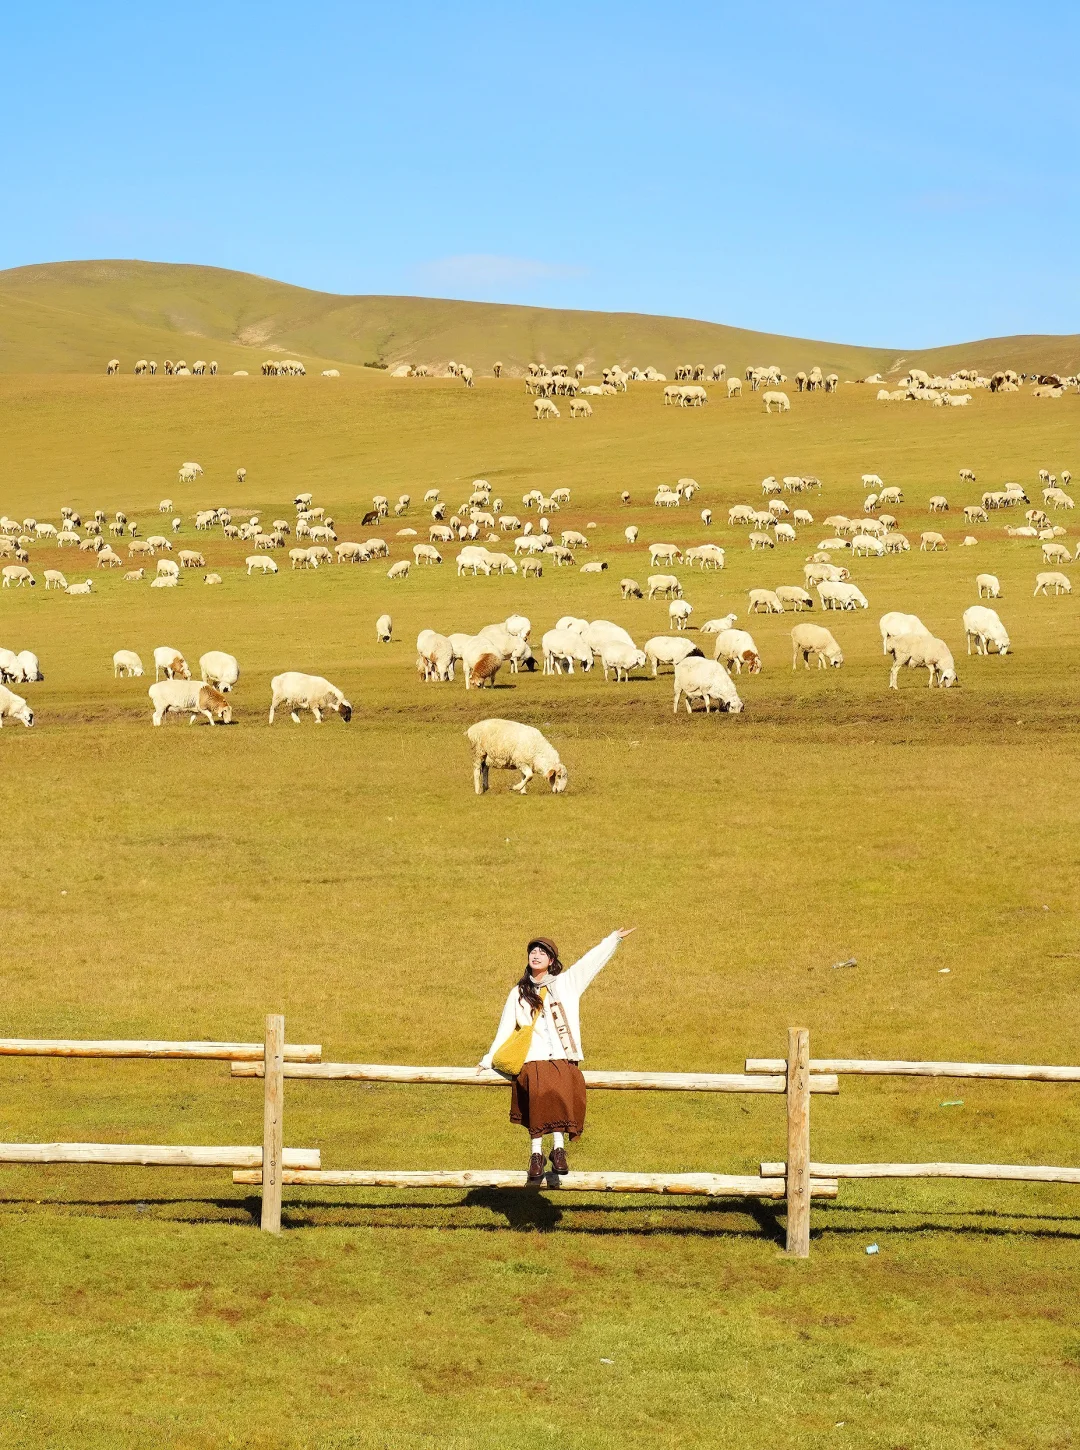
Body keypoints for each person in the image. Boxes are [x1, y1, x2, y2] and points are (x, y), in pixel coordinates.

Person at [479, 928, 636, 1184]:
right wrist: (488, 1059)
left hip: (563, 1055)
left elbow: (590, 962)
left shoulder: (567, 983)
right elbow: (505, 1027)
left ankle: (559, 1149)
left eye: (543, 952)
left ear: (552, 960)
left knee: (562, 1089)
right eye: (533, 951)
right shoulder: (518, 992)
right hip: (533, 1058)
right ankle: (536, 1155)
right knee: (540, 1094)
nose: (536, 955)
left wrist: (613, 939)